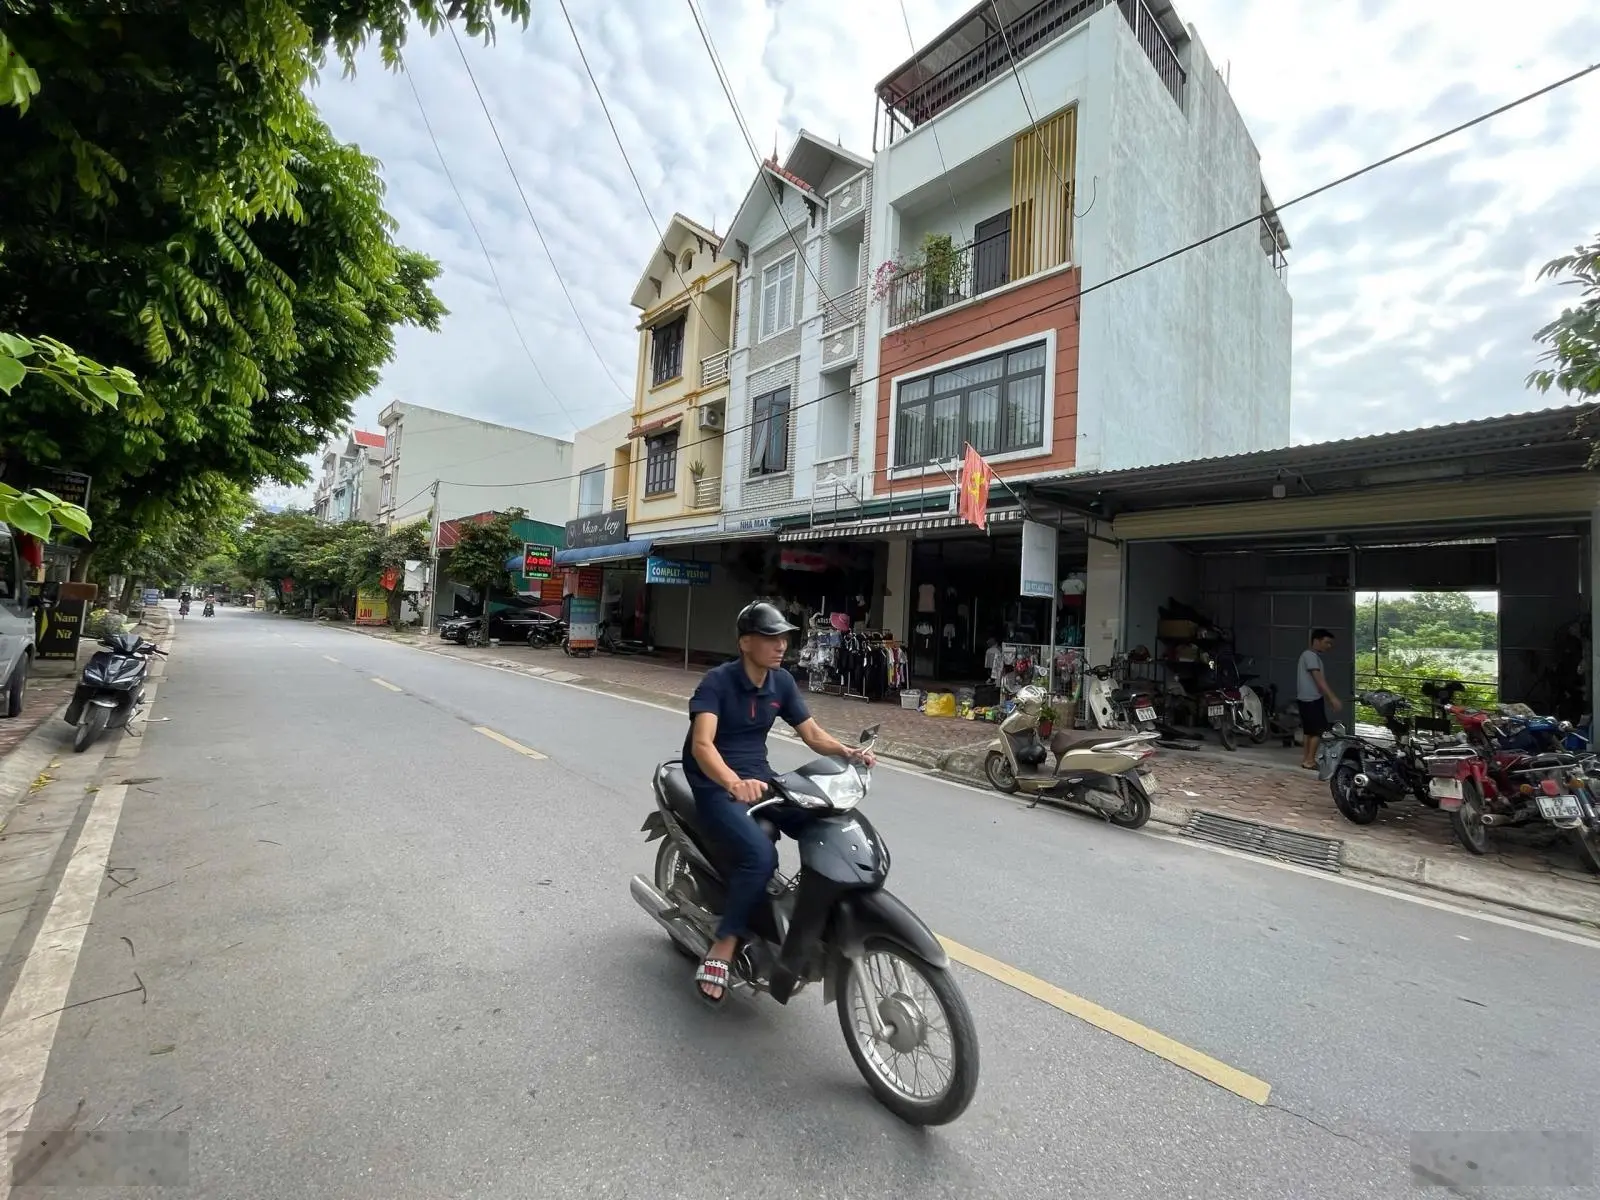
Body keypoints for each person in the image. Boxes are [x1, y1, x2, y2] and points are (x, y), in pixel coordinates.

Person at [684, 601, 875, 1005]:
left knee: (826, 819)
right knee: (759, 857)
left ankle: (805, 916)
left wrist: (849, 753)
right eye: (771, 637)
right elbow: (702, 745)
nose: (782, 644)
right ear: (745, 642)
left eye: (784, 637)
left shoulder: (781, 683)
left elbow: (812, 734)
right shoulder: (716, 683)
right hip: (717, 785)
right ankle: (724, 943)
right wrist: (733, 783)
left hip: (763, 780)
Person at [1297, 628, 1342, 770]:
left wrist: (1327, 698)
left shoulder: (1309, 656)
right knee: (1317, 731)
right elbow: (1319, 679)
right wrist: (1332, 697)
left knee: (1309, 731)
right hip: (1311, 699)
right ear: (1316, 641)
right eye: (1326, 642)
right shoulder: (1310, 656)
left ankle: (1306, 759)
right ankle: (1310, 760)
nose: (1329, 646)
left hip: (1307, 698)